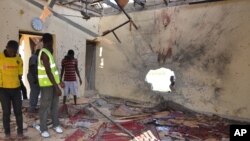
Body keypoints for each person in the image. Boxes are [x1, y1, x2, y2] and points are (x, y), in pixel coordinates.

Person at [37, 33, 63, 138]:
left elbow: (53, 70)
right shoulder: (44, 53)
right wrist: (57, 87)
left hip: (53, 84)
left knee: (55, 106)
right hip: (46, 85)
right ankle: (43, 128)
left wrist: (59, 81)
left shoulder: (49, 52)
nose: (52, 43)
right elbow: (48, 71)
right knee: (45, 107)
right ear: (49, 41)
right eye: (51, 41)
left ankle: (55, 124)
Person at [0, 40, 24, 140]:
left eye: (14, 51)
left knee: (18, 112)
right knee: (6, 112)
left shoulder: (19, 59)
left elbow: (20, 74)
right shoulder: (0, 58)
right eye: (11, 50)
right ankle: (7, 133)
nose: (12, 53)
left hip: (16, 89)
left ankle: (20, 132)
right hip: (3, 90)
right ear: (7, 47)